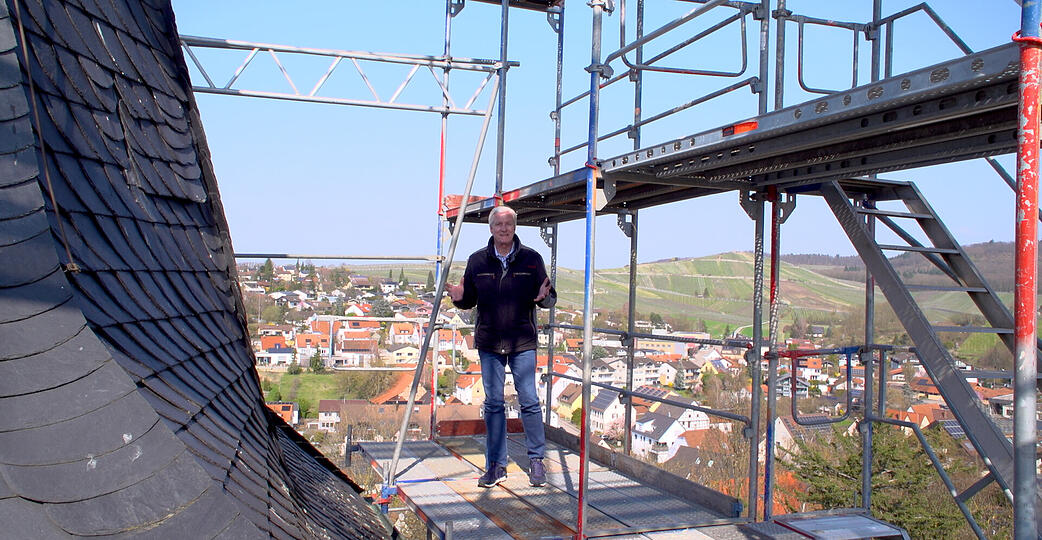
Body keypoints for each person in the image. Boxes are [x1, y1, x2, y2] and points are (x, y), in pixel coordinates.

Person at [447, 205, 556, 488]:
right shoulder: (477, 261)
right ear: (491, 228)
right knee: (494, 404)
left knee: (529, 401)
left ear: (515, 227)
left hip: (522, 341)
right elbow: (468, 299)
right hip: (490, 341)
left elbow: (547, 296)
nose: (504, 229)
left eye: (509, 224)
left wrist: (545, 298)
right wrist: (458, 298)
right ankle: (496, 465)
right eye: (499, 224)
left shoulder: (532, 260)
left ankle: (536, 461)